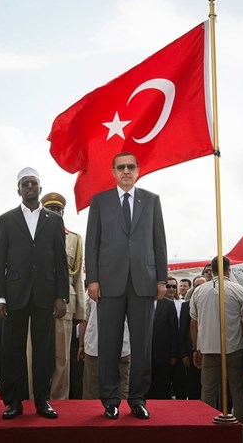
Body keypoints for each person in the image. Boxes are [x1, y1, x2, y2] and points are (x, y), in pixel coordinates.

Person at [85, 153, 167, 420]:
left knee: (142, 346)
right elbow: (92, 243)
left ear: (138, 170)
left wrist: (162, 279)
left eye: (131, 166)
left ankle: (138, 399)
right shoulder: (100, 201)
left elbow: (159, 241)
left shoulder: (152, 200)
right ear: (113, 172)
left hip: (144, 281)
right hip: (108, 283)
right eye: (121, 167)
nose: (126, 171)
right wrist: (92, 279)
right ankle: (110, 400)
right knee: (109, 344)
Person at [0, 168, 69, 419]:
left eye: (33, 183)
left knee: (44, 351)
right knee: (12, 349)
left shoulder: (54, 220)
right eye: (25, 184)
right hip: (15, 294)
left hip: (45, 294)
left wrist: (61, 295)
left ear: (40, 187)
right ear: (18, 190)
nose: (29, 187)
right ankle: (14, 401)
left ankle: (43, 400)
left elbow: (60, 261)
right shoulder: (6, 220)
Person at [191, 256, 243, 443]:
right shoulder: (238, 289)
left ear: (212, 270)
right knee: (238, 392)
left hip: (208, 349)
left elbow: (194, 324)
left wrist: (196, 348)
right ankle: (242, 434)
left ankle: (207, 433)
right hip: (234, 349)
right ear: (228, 269)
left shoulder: (199, 291)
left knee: (208, 392)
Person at [40, 192, 86, 400]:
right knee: (35, 355)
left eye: (58, 209)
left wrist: (80, 312)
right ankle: (35, 398)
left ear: (63, 212)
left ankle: (59, 401)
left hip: (66, 302)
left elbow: (78, 278)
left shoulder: (74, 239)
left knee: (61, 357)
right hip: (37, 302)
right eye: (50, 209)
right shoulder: (33, 236)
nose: (55, 213)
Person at [78, 295, 131, 399]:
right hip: (111, 345)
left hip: (99, 345)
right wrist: (81, 345)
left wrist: (81, 345)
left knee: (93, 389)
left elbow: (84, 319)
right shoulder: (128, 290)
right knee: (121, 389)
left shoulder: (91, 291)